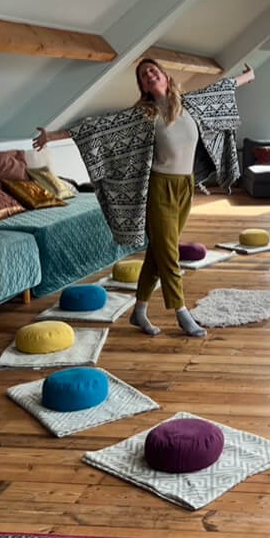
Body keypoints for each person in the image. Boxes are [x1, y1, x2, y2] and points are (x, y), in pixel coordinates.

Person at [33, 59, 255, 337]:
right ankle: (181, 312)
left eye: (152, 70)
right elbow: (97, 128)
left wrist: (248, 77)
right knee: (170, 254)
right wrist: (52, 135)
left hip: (186, 186)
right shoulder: (143, 115)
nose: (149, 75)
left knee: (158, 252)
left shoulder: (190, 104)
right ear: (143, 87)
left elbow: (221, 89)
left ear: (164, 76)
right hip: (158, 189)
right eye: (143, 75)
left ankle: (139, 311)